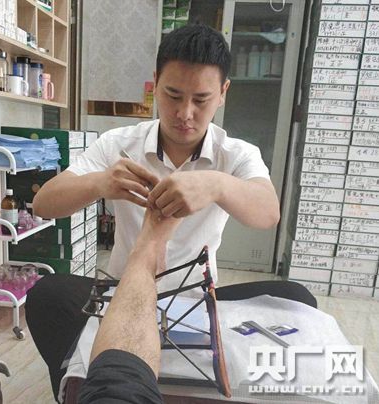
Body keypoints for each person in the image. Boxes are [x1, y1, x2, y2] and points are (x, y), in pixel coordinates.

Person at [26, 24, 317, 401]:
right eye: (173, 95)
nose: (185, 113)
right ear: (156, 84)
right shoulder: (119, 145)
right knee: (48, 294)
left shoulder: (236, 154)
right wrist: (100, 182)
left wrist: (217, 184)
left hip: (196, 297)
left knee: (296, 298)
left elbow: (268, 213)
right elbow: (44, 203)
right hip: (121, 291)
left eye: (201, 99)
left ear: (223, 93)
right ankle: (76, 389)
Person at [78, 208, 180, 404]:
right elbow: (42, 205)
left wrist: (217, 189)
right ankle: (146, 253)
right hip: (127, 282)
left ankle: (145, 253)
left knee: (115, 387)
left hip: (184, 292)